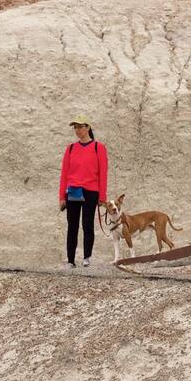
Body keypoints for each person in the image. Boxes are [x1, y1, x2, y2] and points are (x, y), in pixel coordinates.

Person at [58, 115, 109, 269]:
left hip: (91, 191)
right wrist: (62, 196)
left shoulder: (98, 147)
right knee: (72, 225)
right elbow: (64, 173)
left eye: (80, 126)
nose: (77, 130)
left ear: (88, 128)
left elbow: (103, 172)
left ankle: (86, 257)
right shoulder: (71, 148)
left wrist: (102, 195)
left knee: (87, 224)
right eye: (75, 127)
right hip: (73, 189)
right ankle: (71, 260)